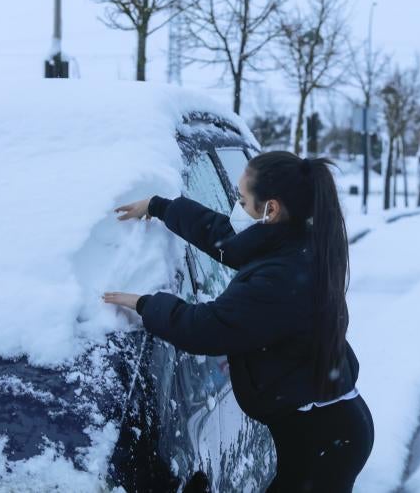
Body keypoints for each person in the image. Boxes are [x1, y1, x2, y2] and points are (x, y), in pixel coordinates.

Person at [102, 151, 374, 492]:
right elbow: (229, 241)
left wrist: (145, 303)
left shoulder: (283, 275)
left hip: (323, 440)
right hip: (321, 428)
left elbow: (207, 328)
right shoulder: (291, 240)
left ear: (270, 209)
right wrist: (161, 207)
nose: (236, 207)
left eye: (241, 200)